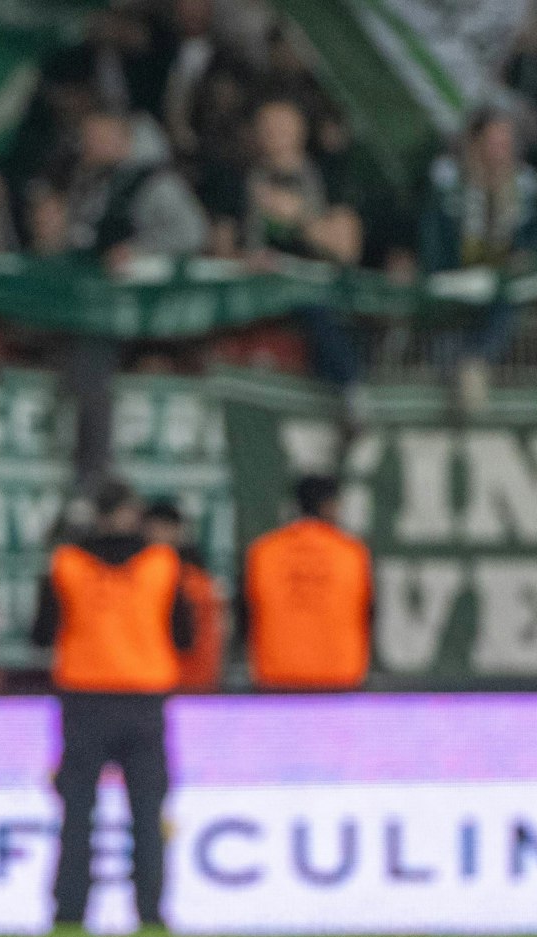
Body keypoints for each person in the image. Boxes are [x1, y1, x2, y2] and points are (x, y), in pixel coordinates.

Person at [31, 478, 188, 931]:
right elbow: (184, 636)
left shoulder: (66, 562)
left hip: (84, 700)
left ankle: (69, 913)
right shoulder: (162, 562)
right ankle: (151, 913)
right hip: (144, 700)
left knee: (77, 814)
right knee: (147, 814)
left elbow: (42, 633)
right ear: (133, 513)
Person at [221, 98, 367, 435]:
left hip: (311, 290)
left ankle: (350, 393)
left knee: (320, 315)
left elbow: (346, 249)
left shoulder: (328, 177)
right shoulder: (239, 182)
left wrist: (298, 216)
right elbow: (223, 248)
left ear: (300, 131)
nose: (273, 135)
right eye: (266, 128)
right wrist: (246, 260)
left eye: (281, 127)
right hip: (254, 287)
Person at [419, 110, 537, 416]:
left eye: (507, 143)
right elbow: (433, 237)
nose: (501, 152)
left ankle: (476, 363)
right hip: (454, 283)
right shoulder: (448, 186)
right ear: (474, 144)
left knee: (510, 295)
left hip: (500, 288)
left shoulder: (524, 189)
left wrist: (524, 256)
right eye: (494, 142)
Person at [242, 475, 371, 690]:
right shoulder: (352, 552)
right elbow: (369, 612)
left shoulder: (263, 551)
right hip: (340, 676)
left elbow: (246, 614)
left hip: (276, 676)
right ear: (328, 505)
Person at [63, 110, 208, 274]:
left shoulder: (156, 182)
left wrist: (136, 249)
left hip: (147, 286)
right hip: (99, 279)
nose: (87, 145)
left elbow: (192, 232)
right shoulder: (99, 179)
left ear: (121, 139)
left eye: (96, 138)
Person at [144, 498, 223, 691]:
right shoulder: (140, 576)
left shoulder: (195, 580)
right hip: (153, 680)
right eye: (152, 528)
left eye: (164, 528)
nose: (157, 535)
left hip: (193, 682)